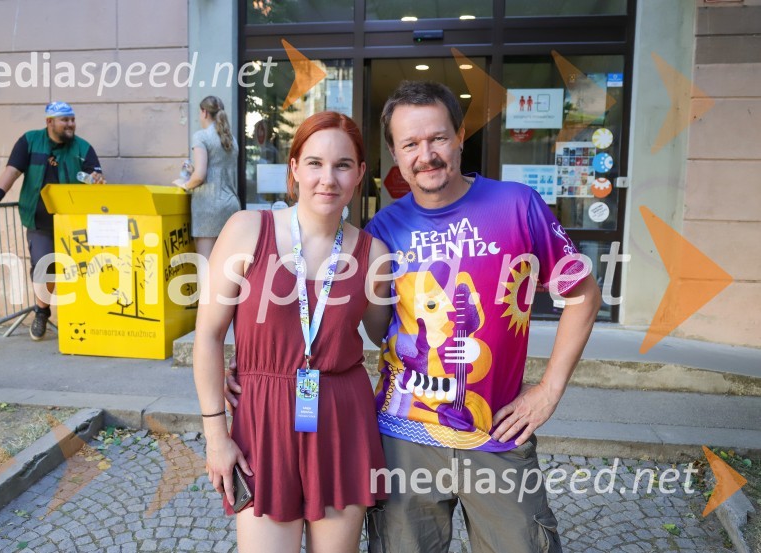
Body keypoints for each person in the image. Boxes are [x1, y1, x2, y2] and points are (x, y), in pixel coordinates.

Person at [364, 81, 600, 552]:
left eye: (437, 138)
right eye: (410, 143)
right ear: (394, 152)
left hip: (497, 431)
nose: (425, 154)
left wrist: (549, 390)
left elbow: (585, 294)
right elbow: (379, 329)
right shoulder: (382, 231)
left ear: (460, 136)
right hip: (403, 437)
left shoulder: (517, 205)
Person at [193, 111, 392, 553]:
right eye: (316, 163)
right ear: (295, 168)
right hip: (263, 417)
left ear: (360, 173)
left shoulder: (372, 252)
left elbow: (389, 338)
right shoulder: (248, 230)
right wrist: (216, 436)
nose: (328, 178)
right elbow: (207, 335)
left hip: (343, 419)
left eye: (342, 165)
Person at [0, 101, 105, 341]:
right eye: (65, 120)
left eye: (72, 120)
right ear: (49, 122)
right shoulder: (29, 141)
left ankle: (86, 320)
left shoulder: (83, 147)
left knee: (82, 270)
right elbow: (12, 171)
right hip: (40, 222)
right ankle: (42, 311)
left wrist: (97, 179)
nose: (71, 124)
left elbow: (96, 176)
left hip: (75, 222)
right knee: (43, 269)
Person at [173, 95, 240, 262]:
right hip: (231, 205)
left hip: (209, 208)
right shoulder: (231, 140)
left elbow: (200, 176)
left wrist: (185, 185)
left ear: (203, 112)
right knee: (227, 266)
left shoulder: (201, 137)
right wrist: (194, 171)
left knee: (205, 266)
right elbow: (218, 171)